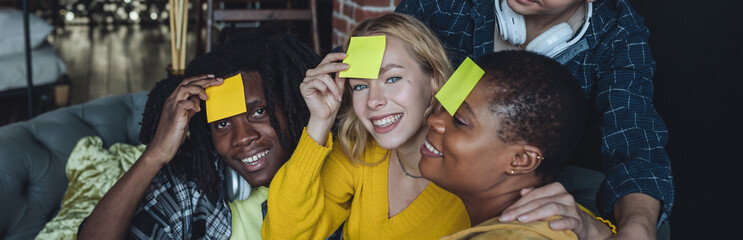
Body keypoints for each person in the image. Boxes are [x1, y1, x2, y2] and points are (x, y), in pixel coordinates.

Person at [396, 0, 673, 238]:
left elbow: (634, 142)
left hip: (557, 179)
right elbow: (376, 53)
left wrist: (634, 231)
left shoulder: (617, 33)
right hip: (431, 155)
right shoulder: (443, 6)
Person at [77, 29, 319, 239]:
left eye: (258, 112)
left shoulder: (333, 179)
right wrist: (155, 155)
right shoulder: (196, 184)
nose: (243, 137)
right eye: (222, 124)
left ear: (290, 107)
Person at [261, 13, 471, 239]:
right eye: (360, 86)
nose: (373, 101)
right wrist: (319, 122)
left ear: (434, 80)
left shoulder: (477, 169)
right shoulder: (358, 151)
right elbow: (281, 234)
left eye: (392, 79)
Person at [422, 50, 613, 239]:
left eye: (459, 120)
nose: (433, 120)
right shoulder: (571, 219)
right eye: (443, 106)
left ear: (520, 160)